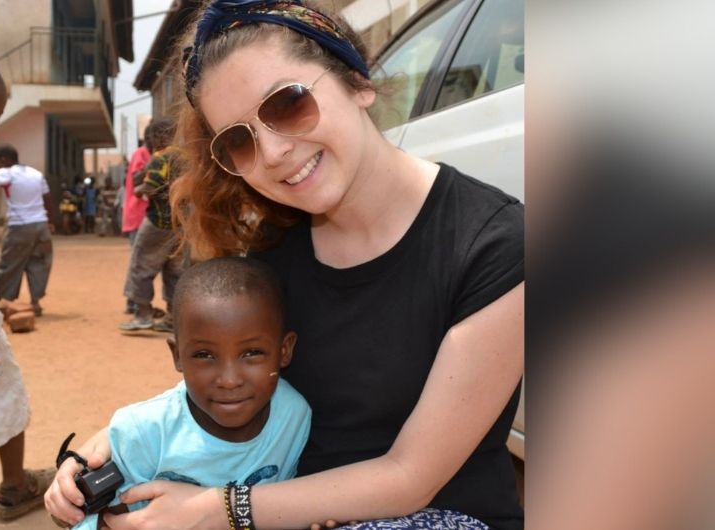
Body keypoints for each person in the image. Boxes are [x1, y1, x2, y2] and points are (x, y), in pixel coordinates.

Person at [46, 1, 524, 529]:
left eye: (288, 103)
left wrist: (221, 510)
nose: (271, 152)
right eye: (238, 140)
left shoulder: (495, 247)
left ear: (358, 83)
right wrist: (111, 445)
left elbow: (411, 477)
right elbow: (227, 377)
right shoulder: (274, 251)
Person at [71, 256, 310, 530]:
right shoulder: (143, 433)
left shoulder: (293, 415)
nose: (229, 380)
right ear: (177, 356)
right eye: (204, 355)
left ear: (284, 350)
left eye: (252, 353)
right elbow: (92, 519)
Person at [0, 58, 54, 521]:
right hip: (41, 225)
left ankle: (14, 485)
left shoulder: (1, 174)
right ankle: (13, 486)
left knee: (0, 383)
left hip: (18, 228)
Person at [118, 118, 185, 333]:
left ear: (158, 136)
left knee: (141, 266)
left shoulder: (160, 157)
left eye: (152, 137)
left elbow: (150, 188)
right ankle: (173, 318)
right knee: (174, 271)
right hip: (181, 224)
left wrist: (138, 189)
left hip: (157, 221)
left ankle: (143, 314)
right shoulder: (186, 158)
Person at [0, 143, 55, 316]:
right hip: (41, 225)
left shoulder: (7, 173)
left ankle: (0, 302)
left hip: (19, 226)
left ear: (4, 160)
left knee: (9, 263)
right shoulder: (36, 174)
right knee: (38, 263)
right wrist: (51, 222)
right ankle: (36, 302)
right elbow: (47, 198)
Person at [120, 137, 152, 314]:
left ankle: (136, 301)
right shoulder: (141, 154)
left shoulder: (149, 154)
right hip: (139, 214)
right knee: (138, 261)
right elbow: (137, 180)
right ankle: (133, 301)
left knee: (142, 261)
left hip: (145, 214)